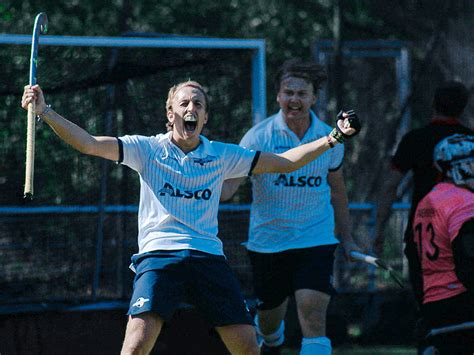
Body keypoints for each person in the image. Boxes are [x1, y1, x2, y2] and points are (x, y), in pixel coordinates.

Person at [21, 80, 361, 355]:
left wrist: (334, 137)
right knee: (136, 345)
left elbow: (286, 162)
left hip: (208, 259)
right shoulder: (147, 149)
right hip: (159, 257)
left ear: (205, 117)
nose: (191, 108)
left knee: (246, 346)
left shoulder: (221, 155)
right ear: (170, 114)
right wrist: (45, 111)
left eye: (198, 104)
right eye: (184, 103)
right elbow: (89, 143)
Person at [221, 59, 362, 355]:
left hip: (315, 239)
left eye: (301, 94)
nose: (294, 100)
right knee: (271, 320)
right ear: (278, 96)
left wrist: (347, 238)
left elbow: (338, 192)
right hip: (269, 244)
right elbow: (229, 187)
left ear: (313, 98)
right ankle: (272, 340)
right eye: (288, 93)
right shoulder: (258, 138)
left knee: (312, 314)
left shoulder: (331, 139)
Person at [373, 80, 472, 298]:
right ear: (463, 108)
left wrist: (379, 228)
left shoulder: (416, 140)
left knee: (429, 297)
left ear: (433, 104)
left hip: (428, 234)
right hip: (467, 230)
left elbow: (390, 185)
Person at [411, 133, 474, 354]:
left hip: (433, 302)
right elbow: (469, 259)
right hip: (461, 303)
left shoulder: (427, 201)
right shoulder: (464, 202)